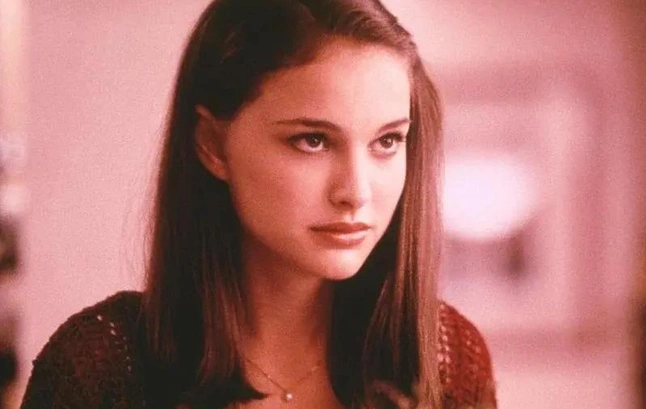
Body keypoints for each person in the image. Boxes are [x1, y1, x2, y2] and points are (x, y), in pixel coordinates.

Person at [20, 0, 497, 408]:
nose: (356, 191)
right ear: (212, 144)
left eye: (387, 141)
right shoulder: (100, 371)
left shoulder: (447, 360)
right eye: (312, 140)